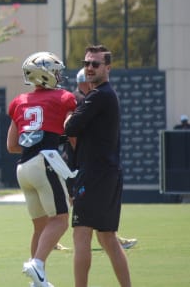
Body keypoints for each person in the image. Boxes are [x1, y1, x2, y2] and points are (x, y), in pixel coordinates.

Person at [6, 51, 77, 287]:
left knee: (40, 225)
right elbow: (73, 131)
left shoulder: (19, 101)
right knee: (60, 220)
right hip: (44, 161)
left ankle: (38, 280)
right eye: (56, 71)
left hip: (23, 168)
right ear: (45, 74)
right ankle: (36, 264)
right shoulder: (63, 97)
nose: (59, 75)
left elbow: (12, 145)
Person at [64, 45, 131, 287]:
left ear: (108, 68)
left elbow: (70, 128)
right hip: (108, 174)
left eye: (95, 64)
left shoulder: (99, 95)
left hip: (94, 176)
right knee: (108, 238)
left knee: (81, 234)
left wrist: (69, 117)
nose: (90, 68)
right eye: (87, 63)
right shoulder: (106, 95)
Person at [55, 68, 137, 251]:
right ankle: (106, 236)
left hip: (76, 157)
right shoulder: (80, 99)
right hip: (77, 158)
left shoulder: (85, 97)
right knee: (78, 199)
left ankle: (109, 235)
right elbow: (72, 132)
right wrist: (81, 156)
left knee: (78, 199)